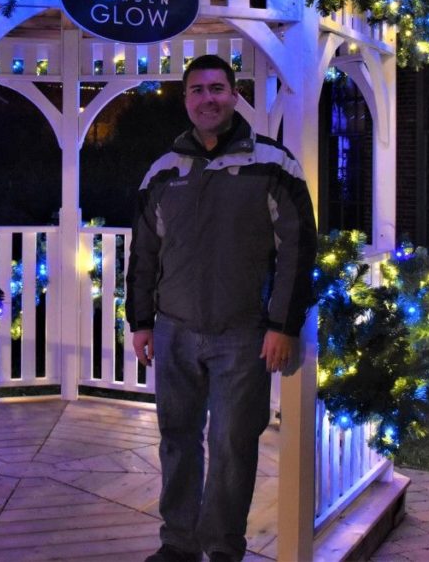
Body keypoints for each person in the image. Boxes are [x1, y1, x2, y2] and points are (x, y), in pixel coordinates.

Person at [125, 54, 317, 562]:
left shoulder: (273, 165)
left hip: (244, 335)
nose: (207, 99)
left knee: (234, 445)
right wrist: (140, 321)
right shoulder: (163, 171)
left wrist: (282, 325)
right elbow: (143, 253)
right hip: (174, 333)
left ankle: (223, 546)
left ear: (234, 95)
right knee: (177, 440)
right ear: (185, 99)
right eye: (196, 90)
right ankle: (179, 544)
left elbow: (298, 250)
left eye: (217, 88)